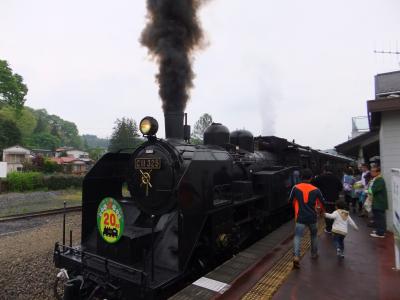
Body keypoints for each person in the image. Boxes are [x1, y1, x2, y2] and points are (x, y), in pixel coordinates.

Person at [289, 168, 326, 269]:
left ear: (301, 177)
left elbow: (290, 200)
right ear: (311, 178)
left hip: (300, 217)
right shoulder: (316, 189)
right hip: (312, 217)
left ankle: (296, 256)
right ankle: (314, 254)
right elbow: (323, 202)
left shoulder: (295, 188)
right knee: (314, 235)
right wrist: (322, 211)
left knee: (297, 236)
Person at [312, 166, 343, 233]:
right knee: (333, 212)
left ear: (324, 170)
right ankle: (333, 226)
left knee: (327, 213)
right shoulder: (336, 178)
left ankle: (329, 228)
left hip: (325, 199)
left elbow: (313, 183)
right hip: (335, 199)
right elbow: (340, 188)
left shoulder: (321, 177)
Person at [369, 166, 388, 238]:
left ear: (378, 172)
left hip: (379, 202)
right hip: (377, 202)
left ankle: (380, 233)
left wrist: (367, 191)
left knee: (380, 218)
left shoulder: (379, 180)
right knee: (378, 217)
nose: (371, 173)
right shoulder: (376, 179)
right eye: (371, 171)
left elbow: (373, 190)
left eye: (373, 171)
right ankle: (379, 230)